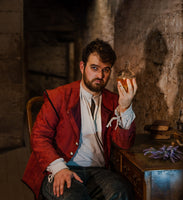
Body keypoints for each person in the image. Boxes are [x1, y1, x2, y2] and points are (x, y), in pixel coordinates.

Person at [22, 39, 137, 200]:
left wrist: (125, 107)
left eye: (106, 70)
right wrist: (59, 168)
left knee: (121, 191)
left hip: (98, 171)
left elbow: (124, 144)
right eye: (94, 68)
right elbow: (39, 136)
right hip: (61, 167)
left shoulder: (113, 101)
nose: (100, 76)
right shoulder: (59, 96)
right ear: (82, 67)